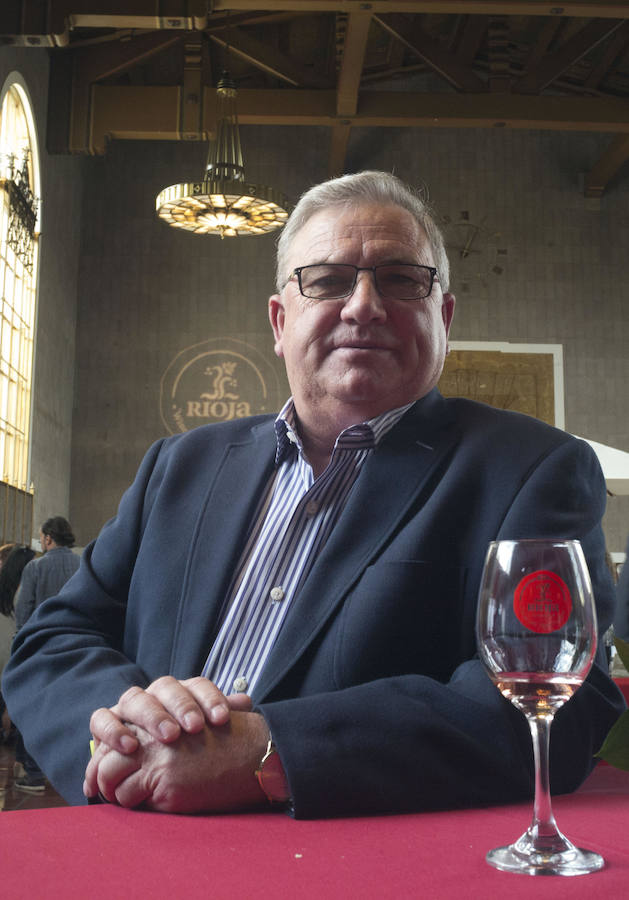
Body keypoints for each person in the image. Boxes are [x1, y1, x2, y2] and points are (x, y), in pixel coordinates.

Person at [2, 171, 624, 817]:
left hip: (357, 861)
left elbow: (565, 701)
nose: (362, 305)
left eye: (400, 279)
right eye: (326, 280)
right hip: (139, 845)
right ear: (279, 320)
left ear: (442, 316)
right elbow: (57, 637)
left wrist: (273, 754)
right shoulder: (179, 465)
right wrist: (121, 735)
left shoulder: (529, 470)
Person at [10, 517, 80, 791]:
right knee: (70, 711)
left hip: (41, 648)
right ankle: (71, 774)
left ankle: (34, 772)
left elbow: (24, 611)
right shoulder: (82, 565)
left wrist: (20, 649)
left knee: (35, 709)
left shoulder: (35, 567)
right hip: (77, 647)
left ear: (49, 538)